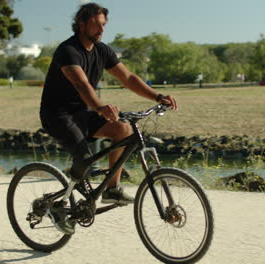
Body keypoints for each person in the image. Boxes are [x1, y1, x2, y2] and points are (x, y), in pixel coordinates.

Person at [40, 3, 177, 234]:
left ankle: (111, 189)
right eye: (96, 24)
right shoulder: (68, 51)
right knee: (84, 158)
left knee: (123, 130)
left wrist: (157, 96)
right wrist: (101, 106)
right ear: (81, 24)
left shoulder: (102, 50)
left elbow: (128, 77)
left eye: (104, 25)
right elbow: (82, 85)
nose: (101, 29)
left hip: (81, 114)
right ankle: (57, 206)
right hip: (58, 115)